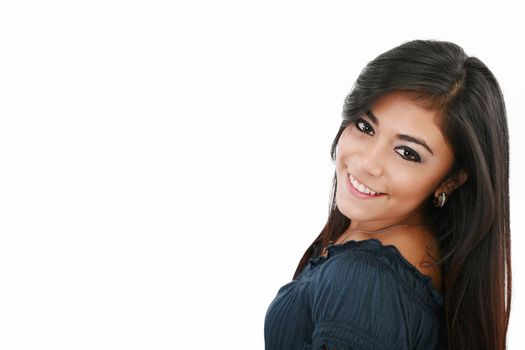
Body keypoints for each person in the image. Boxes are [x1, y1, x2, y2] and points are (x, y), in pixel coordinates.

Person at [264, 39, 511, 350]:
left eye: (407, 152)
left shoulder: (364, 281)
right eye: (366, 127)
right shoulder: (416, 247)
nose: (368, 163)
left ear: (450, 179)